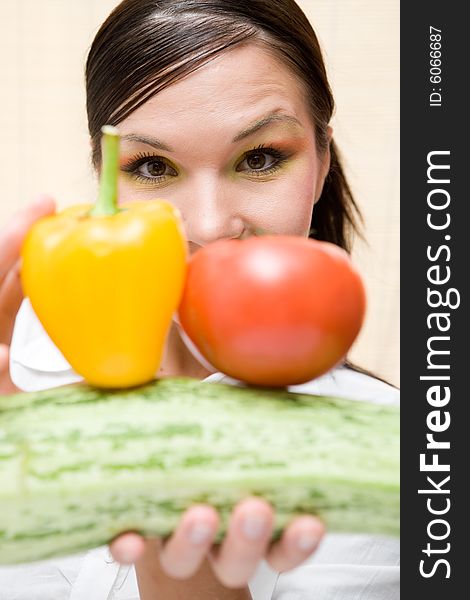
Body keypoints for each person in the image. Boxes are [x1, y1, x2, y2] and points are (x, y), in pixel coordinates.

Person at [0, 1, 399, 598]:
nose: (210, 228)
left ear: (319, 165)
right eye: (154, 166)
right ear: (103, 172)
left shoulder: (401, 466)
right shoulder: (16, 389)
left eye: (261, 158)